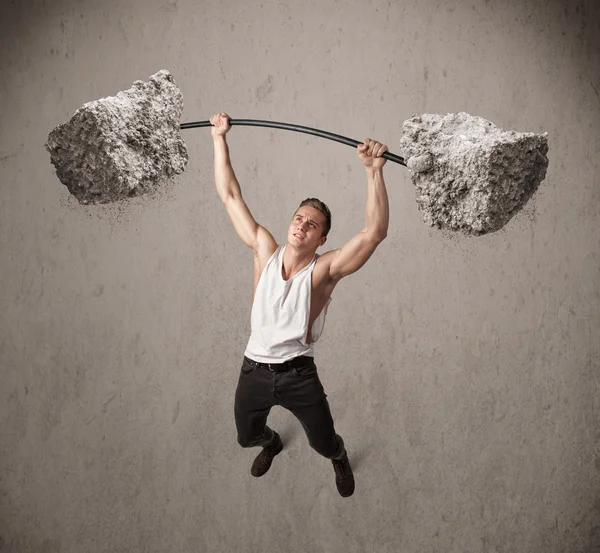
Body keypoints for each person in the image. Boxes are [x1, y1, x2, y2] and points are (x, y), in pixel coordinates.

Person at [210, 112, 389, 498]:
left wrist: (374, 171)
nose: (301, 225)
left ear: (321, 238)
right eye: (299, 218)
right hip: (254, 369)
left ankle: (339, 457)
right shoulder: (263, 249)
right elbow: (229, 195)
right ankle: (272, 443)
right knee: (246, 437)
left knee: (323, 443)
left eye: (312, 225)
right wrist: (219, 138)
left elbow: (373, 233)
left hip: (298, 376)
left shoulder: (324, 272)